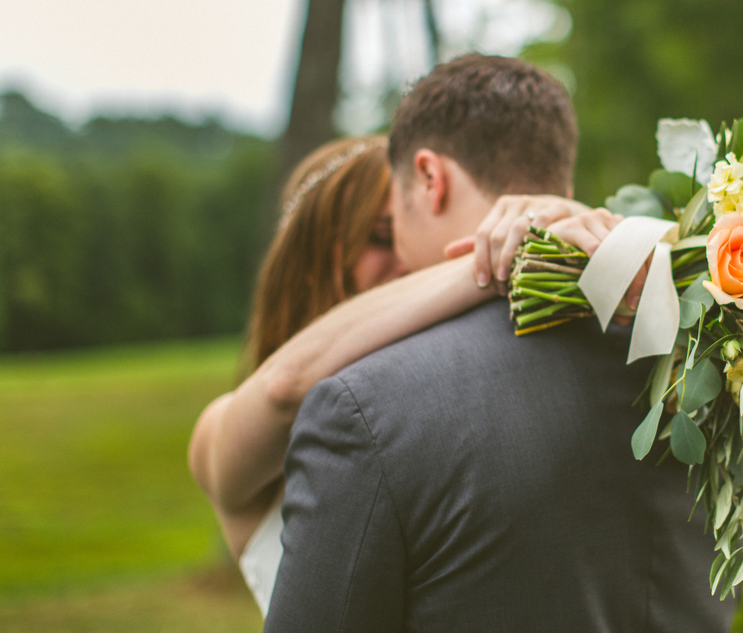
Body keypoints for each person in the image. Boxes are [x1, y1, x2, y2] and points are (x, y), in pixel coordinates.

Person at [263, 54, 735, 632]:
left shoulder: (364, 409)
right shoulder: (710, 368)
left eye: (391, 215)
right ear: (560, 176)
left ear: (430, 177)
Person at [188, 134, 589, 613]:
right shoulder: (217, 431)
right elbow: (283, 387)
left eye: (410, 232)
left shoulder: (428, 399)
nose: (405, 259)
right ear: (316, 261)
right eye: (381, 237)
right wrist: (496, 261)